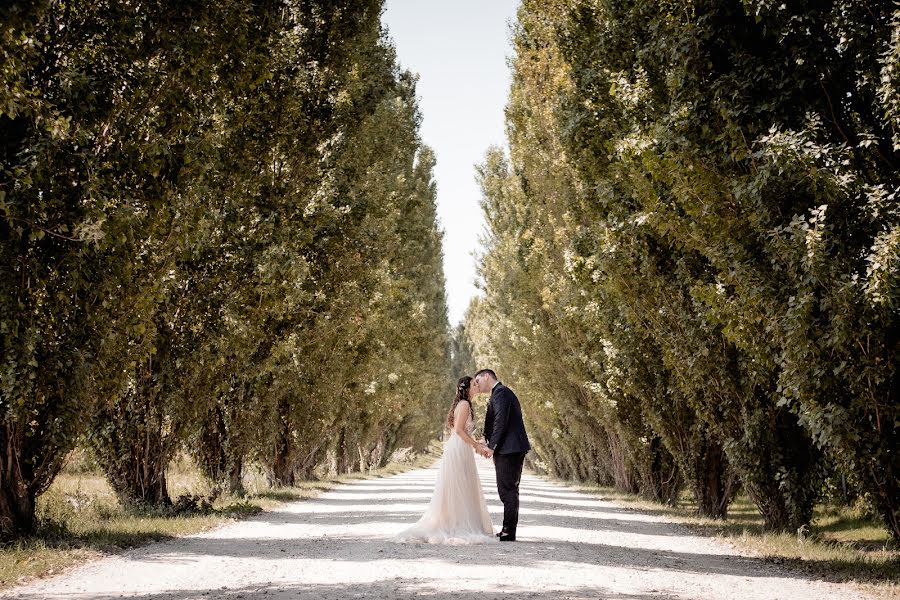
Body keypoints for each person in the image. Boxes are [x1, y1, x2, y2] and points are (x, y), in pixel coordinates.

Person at [395, 376, 496, 544]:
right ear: (467, 388)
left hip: (461, 447)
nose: (477, 386)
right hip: (459, 448)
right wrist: (477, 446)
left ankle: (457, 520)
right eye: (474, 384)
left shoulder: (465, 404)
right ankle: (455, 524)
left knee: (461, 485)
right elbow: (458, 431)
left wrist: (476, 443)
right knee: (459, 485)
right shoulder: (464, 405)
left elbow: (463, 431)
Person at [473, 368, 530, 542]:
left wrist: (491, 446)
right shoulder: (498, 393)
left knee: (508, 490)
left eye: (478, 381)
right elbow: (495, 421)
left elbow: (501, 421)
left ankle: (508, 531)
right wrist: (485, 439)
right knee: (507, 489)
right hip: (509, 448)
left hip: (509, 448)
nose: (477, 385)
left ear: (487, 376)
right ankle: (508, 529)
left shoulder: (501, 393)